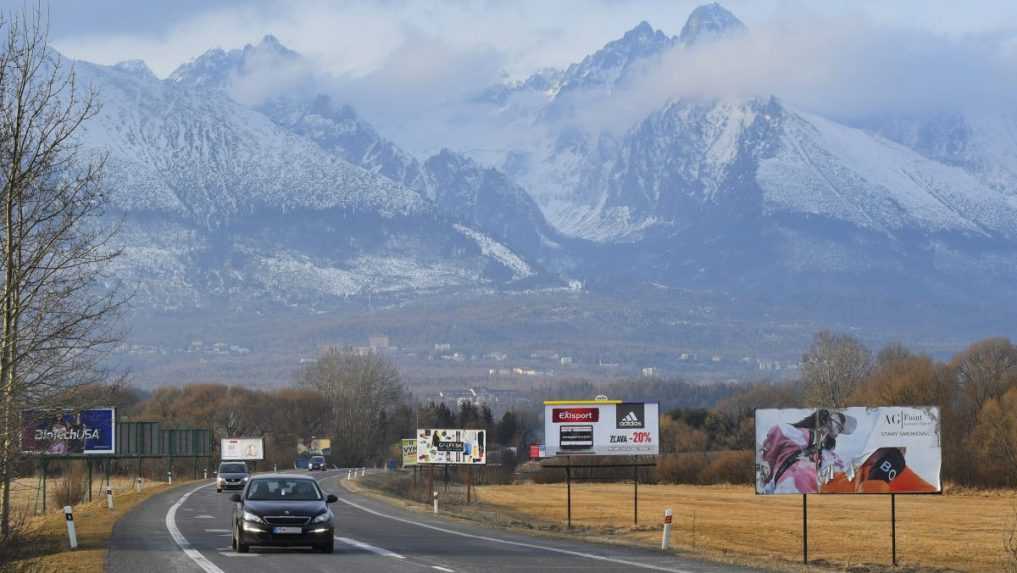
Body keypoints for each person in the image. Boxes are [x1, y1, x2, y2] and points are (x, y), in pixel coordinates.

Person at [757, 409, 856, 494]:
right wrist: (767, 475)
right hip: (787, 487)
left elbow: (841, 474)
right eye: (832, 423)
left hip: (809, 491)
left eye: (838, 428)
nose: (834, 429)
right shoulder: (794, 433)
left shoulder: (830, 456)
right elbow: (769, 457)